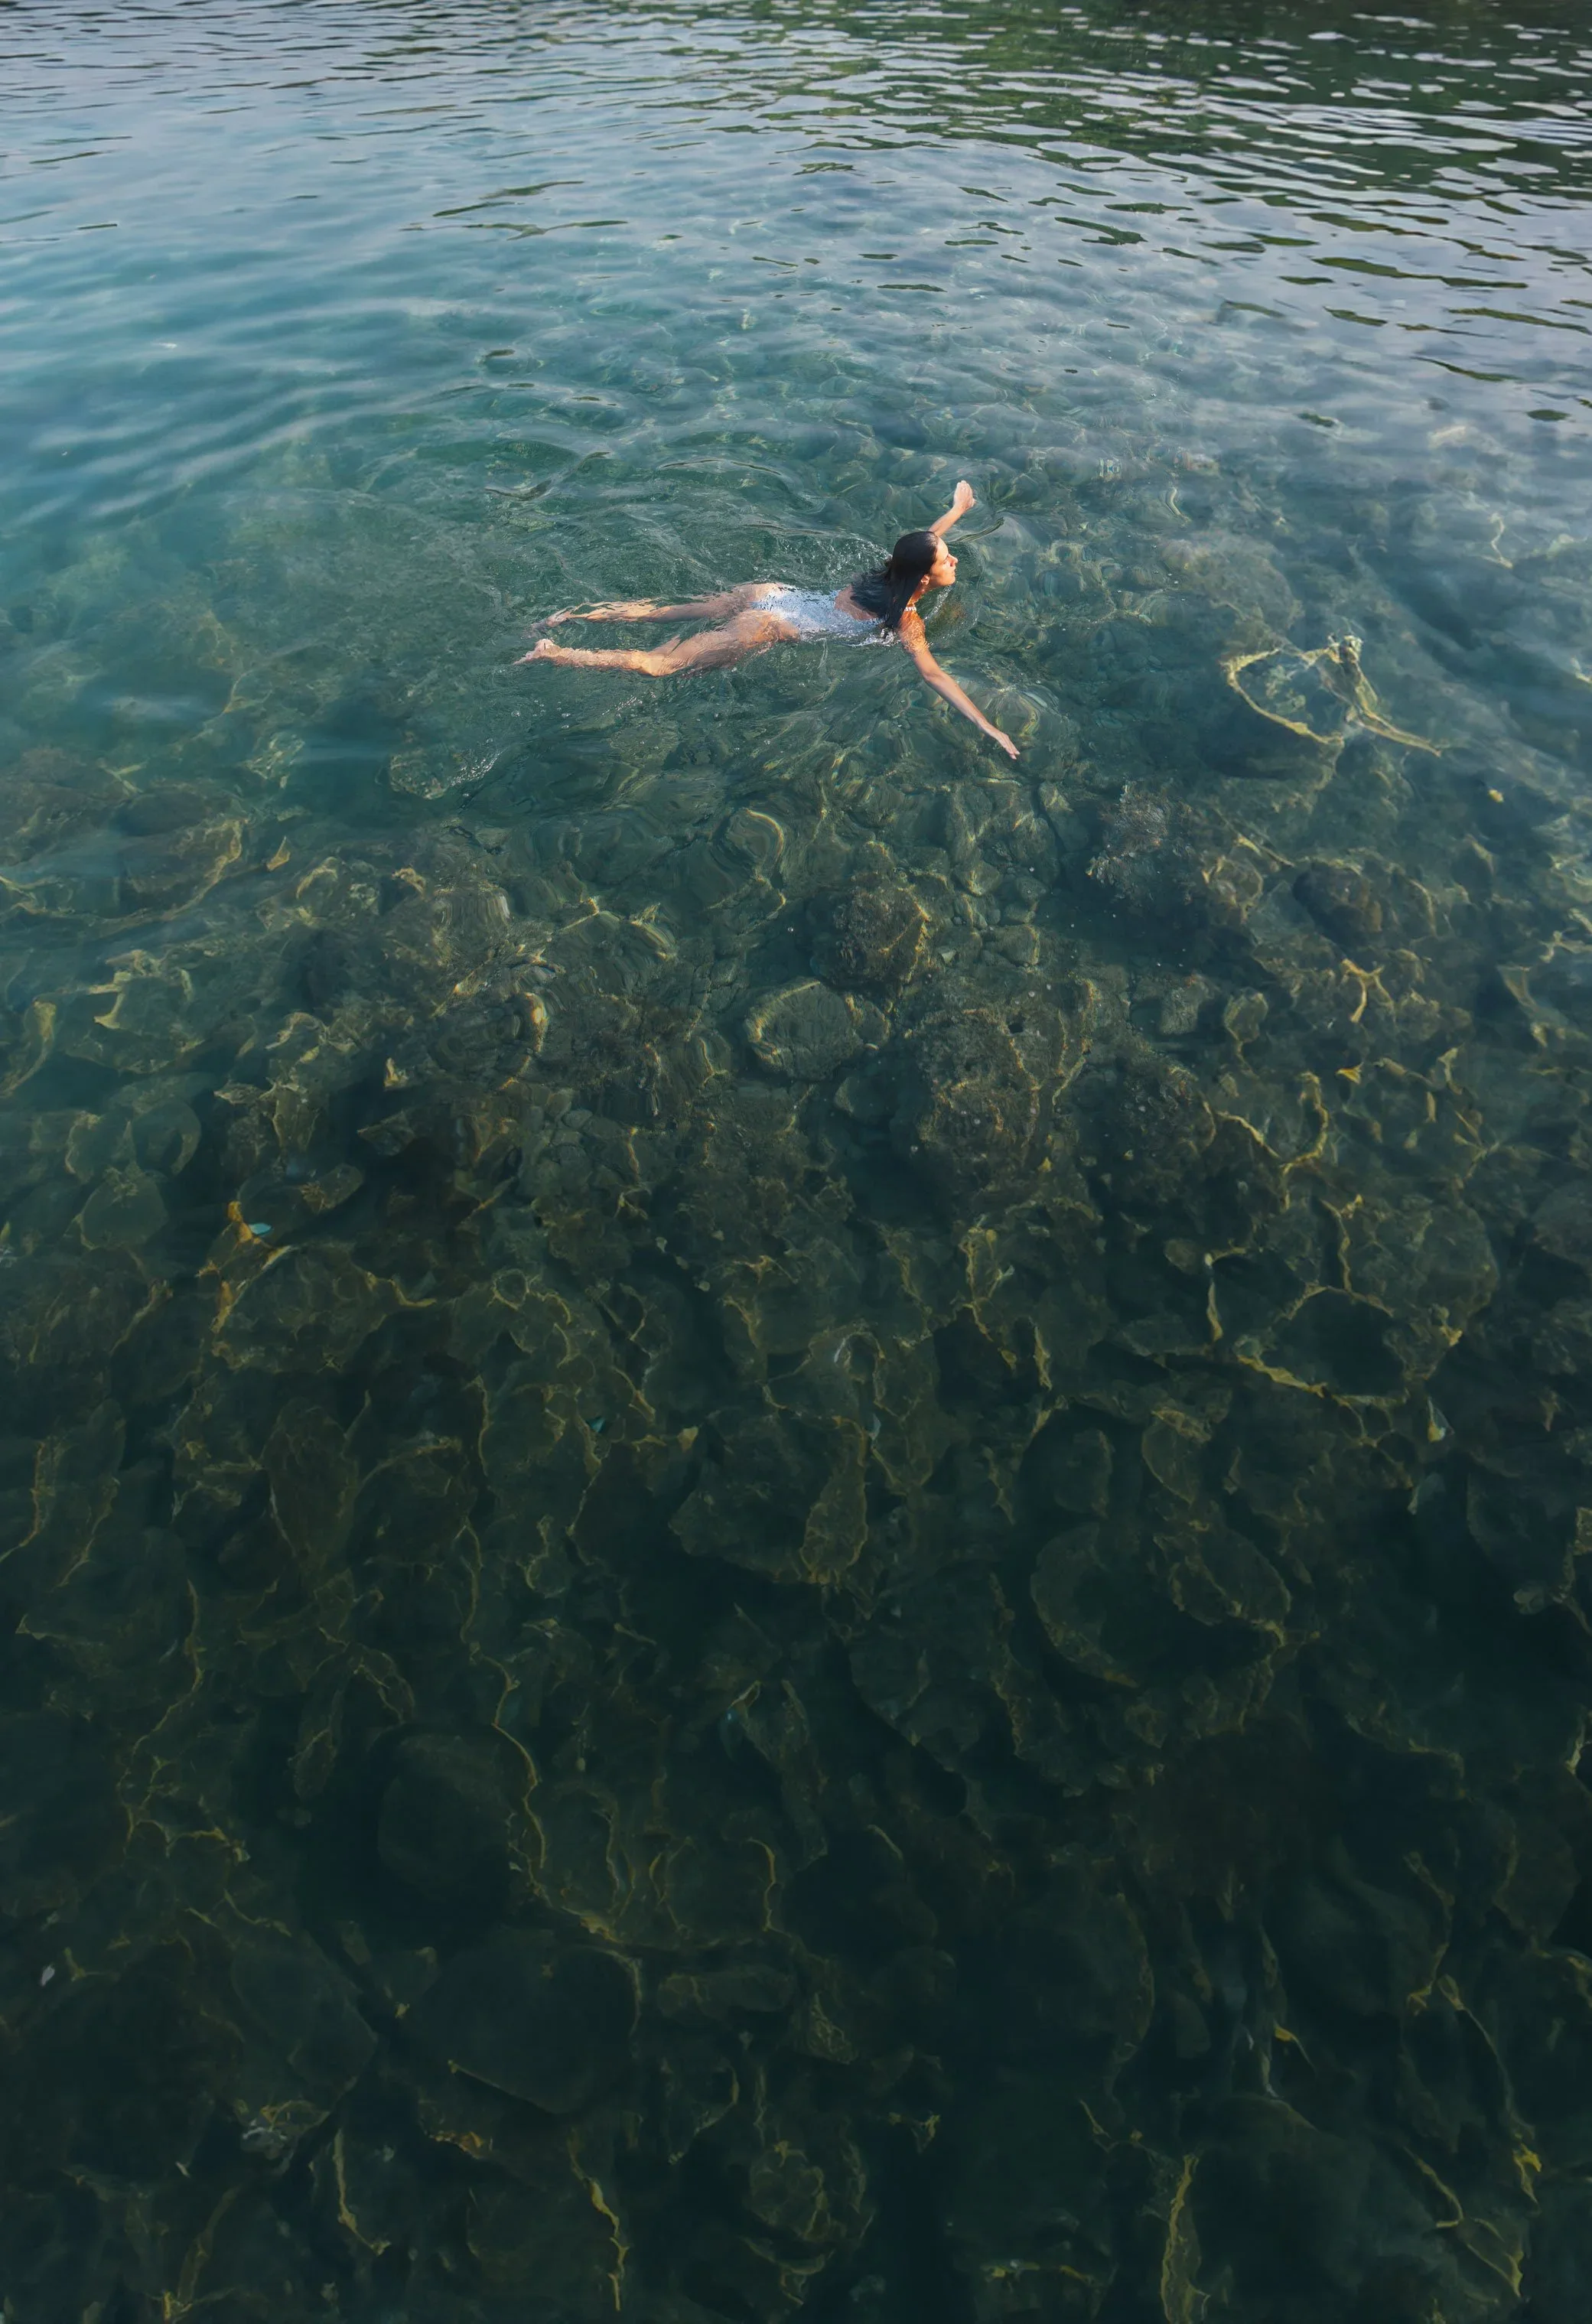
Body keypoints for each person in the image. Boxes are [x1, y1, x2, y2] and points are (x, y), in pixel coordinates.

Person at [519, 480, 1019, 760]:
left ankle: (571, 617)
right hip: (768, 626)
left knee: (673, 609)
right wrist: (987, 725)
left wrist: (956, 510)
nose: (953, 560)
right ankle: (558, 653)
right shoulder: (906, 619)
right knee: (658, 666)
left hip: (773, 594)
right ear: (924, 579)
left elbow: (922, 542)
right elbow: (932, 674)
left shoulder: (892, 573)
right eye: (946, 559)